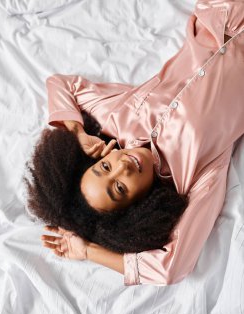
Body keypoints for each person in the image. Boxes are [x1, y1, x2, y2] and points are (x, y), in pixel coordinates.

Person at [25, 0, 244, 286]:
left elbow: (61, 85)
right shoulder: (196, 176)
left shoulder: (117, 118)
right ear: (137, 206)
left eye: (104, 167)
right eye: (119, 188)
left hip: (224, 11)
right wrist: (89, 251)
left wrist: (78, 133)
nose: (122, 168)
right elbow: (171, 268)